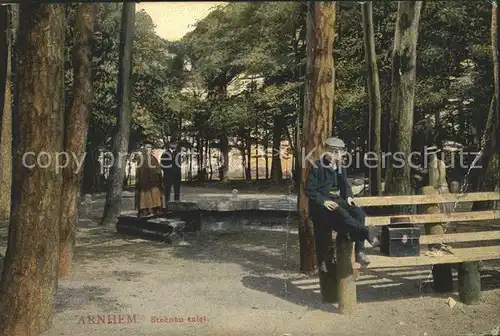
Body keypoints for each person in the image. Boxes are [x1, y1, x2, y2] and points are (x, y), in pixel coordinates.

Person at [305, 137, 379, 267]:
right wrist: (323, 202)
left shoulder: (340, 166)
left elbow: (345, 184)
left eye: (338, 152)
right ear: (325, 151)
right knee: (342, 213)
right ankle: (366, 232)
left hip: (336, 200)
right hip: (320, 206)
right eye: (332, 152)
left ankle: (360, 252)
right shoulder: (316, 166)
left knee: (359, 213)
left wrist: (349, 197)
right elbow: (309, 190)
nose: (335, 155)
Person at [134, 142, 164, 217]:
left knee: (155, 195)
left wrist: (158, 175)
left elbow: (158, 168)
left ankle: (155, 210)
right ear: (144, 148)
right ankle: (145, 211)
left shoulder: (153, 158)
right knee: (145, 197)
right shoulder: (141, 158)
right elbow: (139, 170)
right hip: (145, 181)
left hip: (154, 181)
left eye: (150, 147)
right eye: (147, 147)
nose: (148, 149)